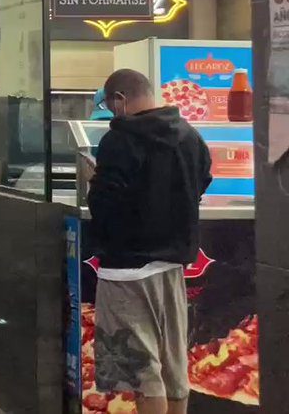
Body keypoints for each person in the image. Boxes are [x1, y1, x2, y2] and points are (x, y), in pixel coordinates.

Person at [88, 69, 212, 414]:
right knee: (173, 364)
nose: (113, 113)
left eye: (111, 105)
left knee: (142, 372)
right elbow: (203, 180)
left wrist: (91, 182)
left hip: (127, 269)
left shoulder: (120, 139)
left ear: (120, 100)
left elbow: (105, 205)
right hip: (172, 264)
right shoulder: (188, 135)